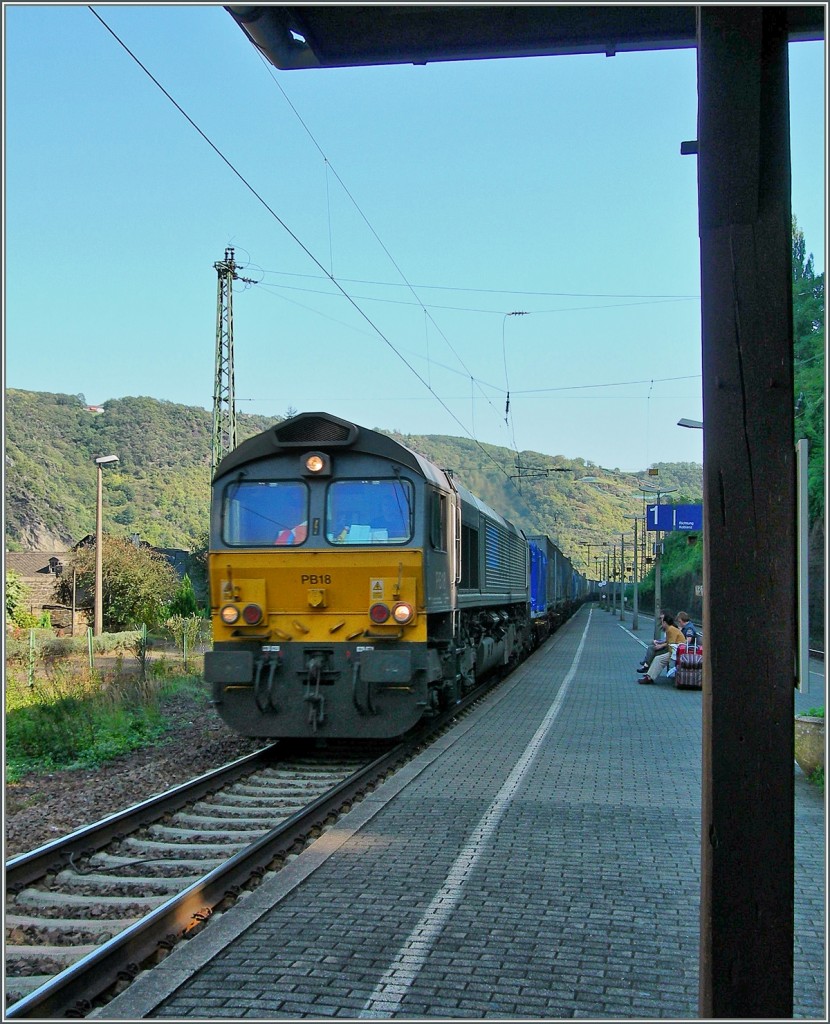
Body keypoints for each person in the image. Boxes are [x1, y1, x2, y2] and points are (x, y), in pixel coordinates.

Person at [637, 613, 685, 684]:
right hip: (676, 651)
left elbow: (671, 644)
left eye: (662, 622)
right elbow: (669, 642)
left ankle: (649, 676)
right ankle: (649, 675)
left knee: (658, 659)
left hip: (676, 653)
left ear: (665, 623)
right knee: (657, 657)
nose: (661, 623)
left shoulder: (671, 630)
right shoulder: (671, 629)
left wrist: (663, 648)